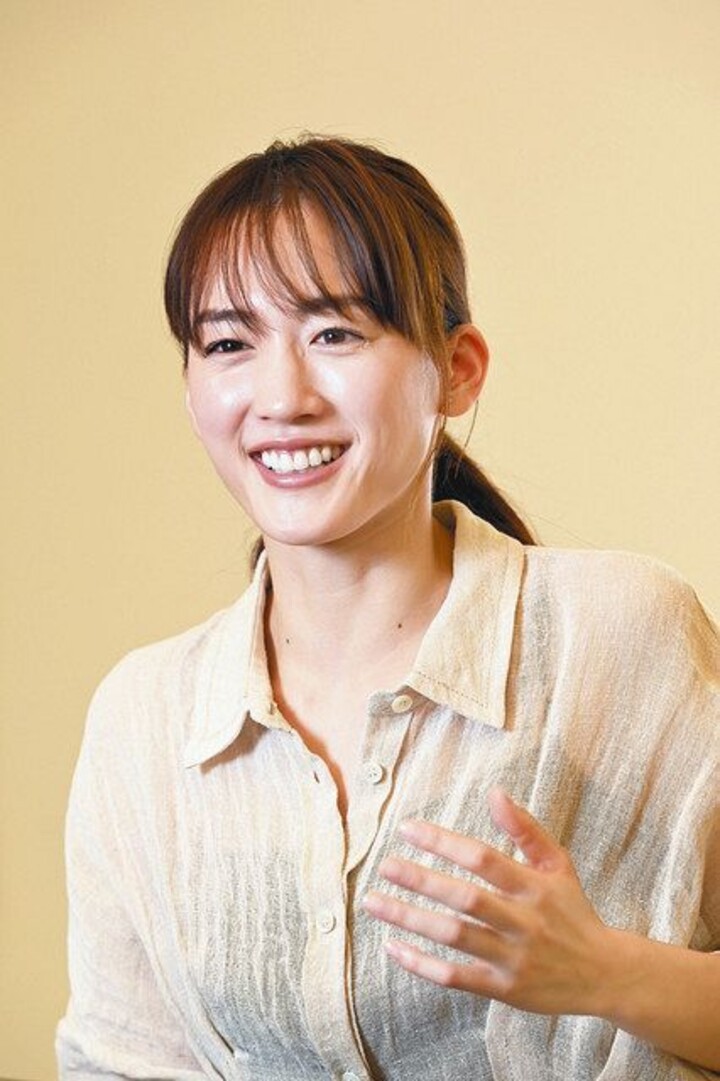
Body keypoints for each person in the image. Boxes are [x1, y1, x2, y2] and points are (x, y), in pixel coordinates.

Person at [57, 136, 719, 1080]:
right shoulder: (144, 718)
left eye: (335, 332)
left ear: (457, 369)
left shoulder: (620, 633)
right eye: (229, 343)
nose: (281, 397)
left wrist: (607, 973)